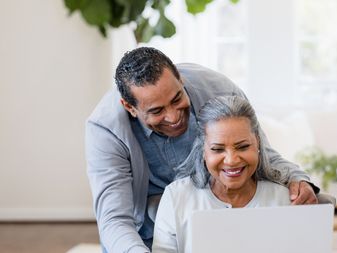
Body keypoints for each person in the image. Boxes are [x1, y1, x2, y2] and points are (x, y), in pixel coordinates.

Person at [85, 47, 319, 253]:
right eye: (157, 111)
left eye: (177, 99)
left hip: (214, 215)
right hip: (140, 235)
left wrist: (297, 178)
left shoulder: (220, 90)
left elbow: (260, 151)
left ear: (180, 79)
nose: (174, 117)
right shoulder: (105, 130)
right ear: (130, 107)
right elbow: (115, 220)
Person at [152, 96, 294, 253]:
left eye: (243, 147)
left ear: (258, 144)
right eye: (218, 149)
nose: (232, 160)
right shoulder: (176, 197)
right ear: (203, 151)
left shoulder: (283, 198)